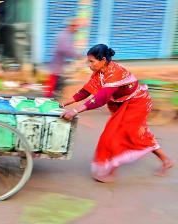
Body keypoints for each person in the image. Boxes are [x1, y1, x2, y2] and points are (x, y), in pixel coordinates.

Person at [60, 44, 174, 182]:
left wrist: (75, 110)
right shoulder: (99, 72)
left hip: (137, 103)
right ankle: (166, 160)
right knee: (140, 133)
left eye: (91, 61)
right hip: (122, 104)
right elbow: (86, 91)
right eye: (88, 61)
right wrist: (65, 103)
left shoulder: (115, 72)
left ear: (102, 60)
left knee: (117, 133)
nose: (88, 65)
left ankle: (110, 170)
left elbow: (100, 98)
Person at [44, 19, 81, 98]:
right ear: (71, 26)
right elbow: (64, 49)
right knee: (53, 80)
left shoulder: (67, 35)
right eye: (76, 27)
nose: (76, 29)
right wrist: (76, 55)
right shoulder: (64, 35)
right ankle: (48, 98)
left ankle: (52, 96)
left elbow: (68, 48)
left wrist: (75, 54)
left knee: (56, 80)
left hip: (59, 62)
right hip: (57, 62)